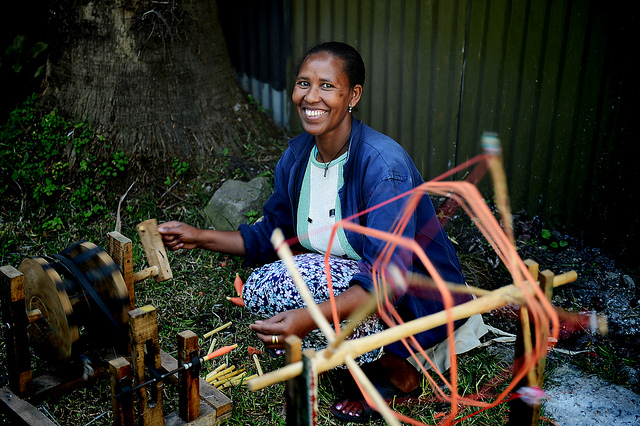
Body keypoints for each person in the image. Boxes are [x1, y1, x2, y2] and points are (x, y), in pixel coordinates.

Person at [158, 41, 473, 422]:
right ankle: (347, 349)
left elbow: (384, 283)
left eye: (327, 86)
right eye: (304, 83)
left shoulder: (382, 168)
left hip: (412, 298)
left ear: (353, 95)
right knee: (262, 288)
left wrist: (305, 319)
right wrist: (198, 236)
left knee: (302, 294)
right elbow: (271, 236)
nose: (311, 96)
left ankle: (395, 368)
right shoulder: (296, 158)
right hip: (346, 276)